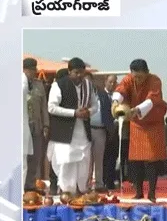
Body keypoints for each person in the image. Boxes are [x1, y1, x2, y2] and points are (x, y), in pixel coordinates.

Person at [111, 59, 167, 202]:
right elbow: (121, 90)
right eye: (135, 76)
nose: (137, 80)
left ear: (147, 73)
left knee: (151, 161)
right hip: (136, 124)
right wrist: (116, 101)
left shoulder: (155, 81)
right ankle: (138, 191)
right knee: (135, 160)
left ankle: (152, 193)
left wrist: (137, 110)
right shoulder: (129, 79)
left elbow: (151, 100)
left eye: (140, 77)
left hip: (153, 123)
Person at [46, 57, 98, 195]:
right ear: (69, 72)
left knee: (83, 162)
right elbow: (51, 107)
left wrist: (89, 112)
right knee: (66, 161)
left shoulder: (88, 85)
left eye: (82, 72)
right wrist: (73, 113)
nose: (79, 75)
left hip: (83, 133)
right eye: (76, 72)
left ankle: (81, 190)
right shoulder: (59, 85)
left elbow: (95, 105)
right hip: (65, 133)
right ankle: (66, 191)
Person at [23, 58, 49, 191]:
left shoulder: (39, 85)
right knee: (23, 157)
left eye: (35, 69)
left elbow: (44, 107)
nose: (34, 72)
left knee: (35, 156)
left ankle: (31, 185)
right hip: (22, 126)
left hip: (36, 126)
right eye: (32, 70)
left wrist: (46, 125)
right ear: (25, 70)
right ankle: (20, 185)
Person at [87, 72, 116, 192]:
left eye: (89, 80)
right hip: (86, 130)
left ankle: (99, 184)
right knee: (87, 160)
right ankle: (86, 185)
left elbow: (109, 112)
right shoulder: (82, 95)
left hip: (100, 131)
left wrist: (110, 129)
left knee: (99, 159)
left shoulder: (102, 95)